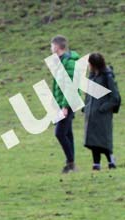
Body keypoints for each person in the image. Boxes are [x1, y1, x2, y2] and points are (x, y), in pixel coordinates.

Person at [50, 35, 81, 174]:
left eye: (51, 46)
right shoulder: (61, 62)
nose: (51, 49)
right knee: (67, 133)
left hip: (68, 103)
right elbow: (58, 85)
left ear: (57, 46)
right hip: (63, 103)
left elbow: (70, 87)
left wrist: (65, 106)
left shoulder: (69, 63)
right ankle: (71, 164)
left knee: (60, 133)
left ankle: (70, 163)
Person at [84, 53, 119, 170]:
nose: (88, 65)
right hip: (91, 114)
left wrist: (103, 108)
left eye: (89, 63)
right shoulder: (92, 76)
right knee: (93, 141)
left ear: (94, 64)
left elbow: (115, 98)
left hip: (102, 115)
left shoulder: (107, 77)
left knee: (103, 140)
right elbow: (88, 95)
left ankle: (111, 161)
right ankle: (96, 164)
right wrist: (86, 106)